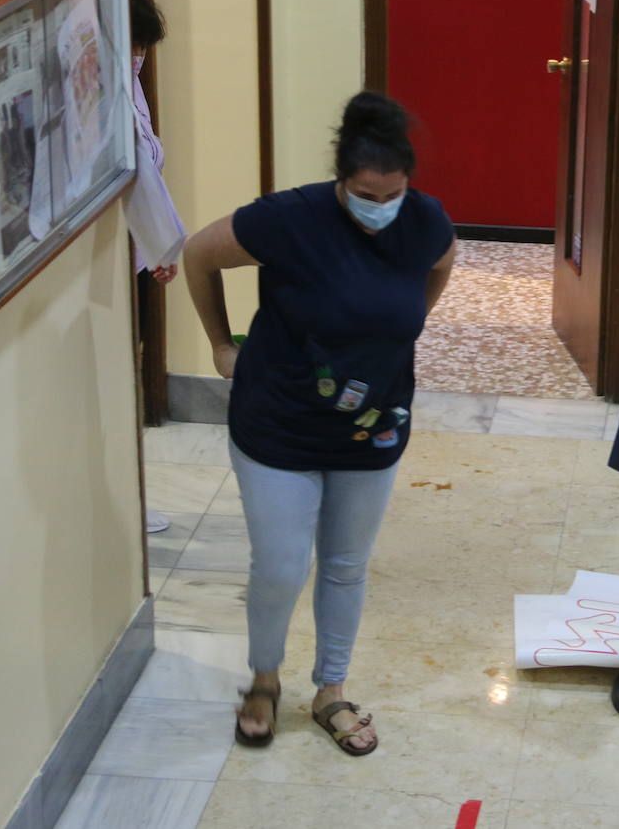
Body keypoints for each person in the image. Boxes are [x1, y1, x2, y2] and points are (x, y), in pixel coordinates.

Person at [181, 91, 456, 753]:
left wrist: (396, 329)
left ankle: (331, 689)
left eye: (393, 193)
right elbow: (197, 254)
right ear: (342, 180)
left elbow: (439, 268)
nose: (380, 208)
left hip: (374, 428)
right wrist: (221, 344)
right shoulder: (287, 219)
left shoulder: (425, 222)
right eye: (366, 193)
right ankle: (264, 681)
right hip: (278, 423)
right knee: (279, 565)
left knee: (345, 565)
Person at [127, 0, 189, 534]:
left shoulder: (131, 86)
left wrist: (158, 249)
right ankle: (127, 501)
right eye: (136, 45)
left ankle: (131, 496)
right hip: (126, 258)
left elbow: (149, 166)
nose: (139, 57)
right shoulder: (105, 93)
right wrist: (161, 247)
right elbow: (137, 180)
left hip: (138, 255)